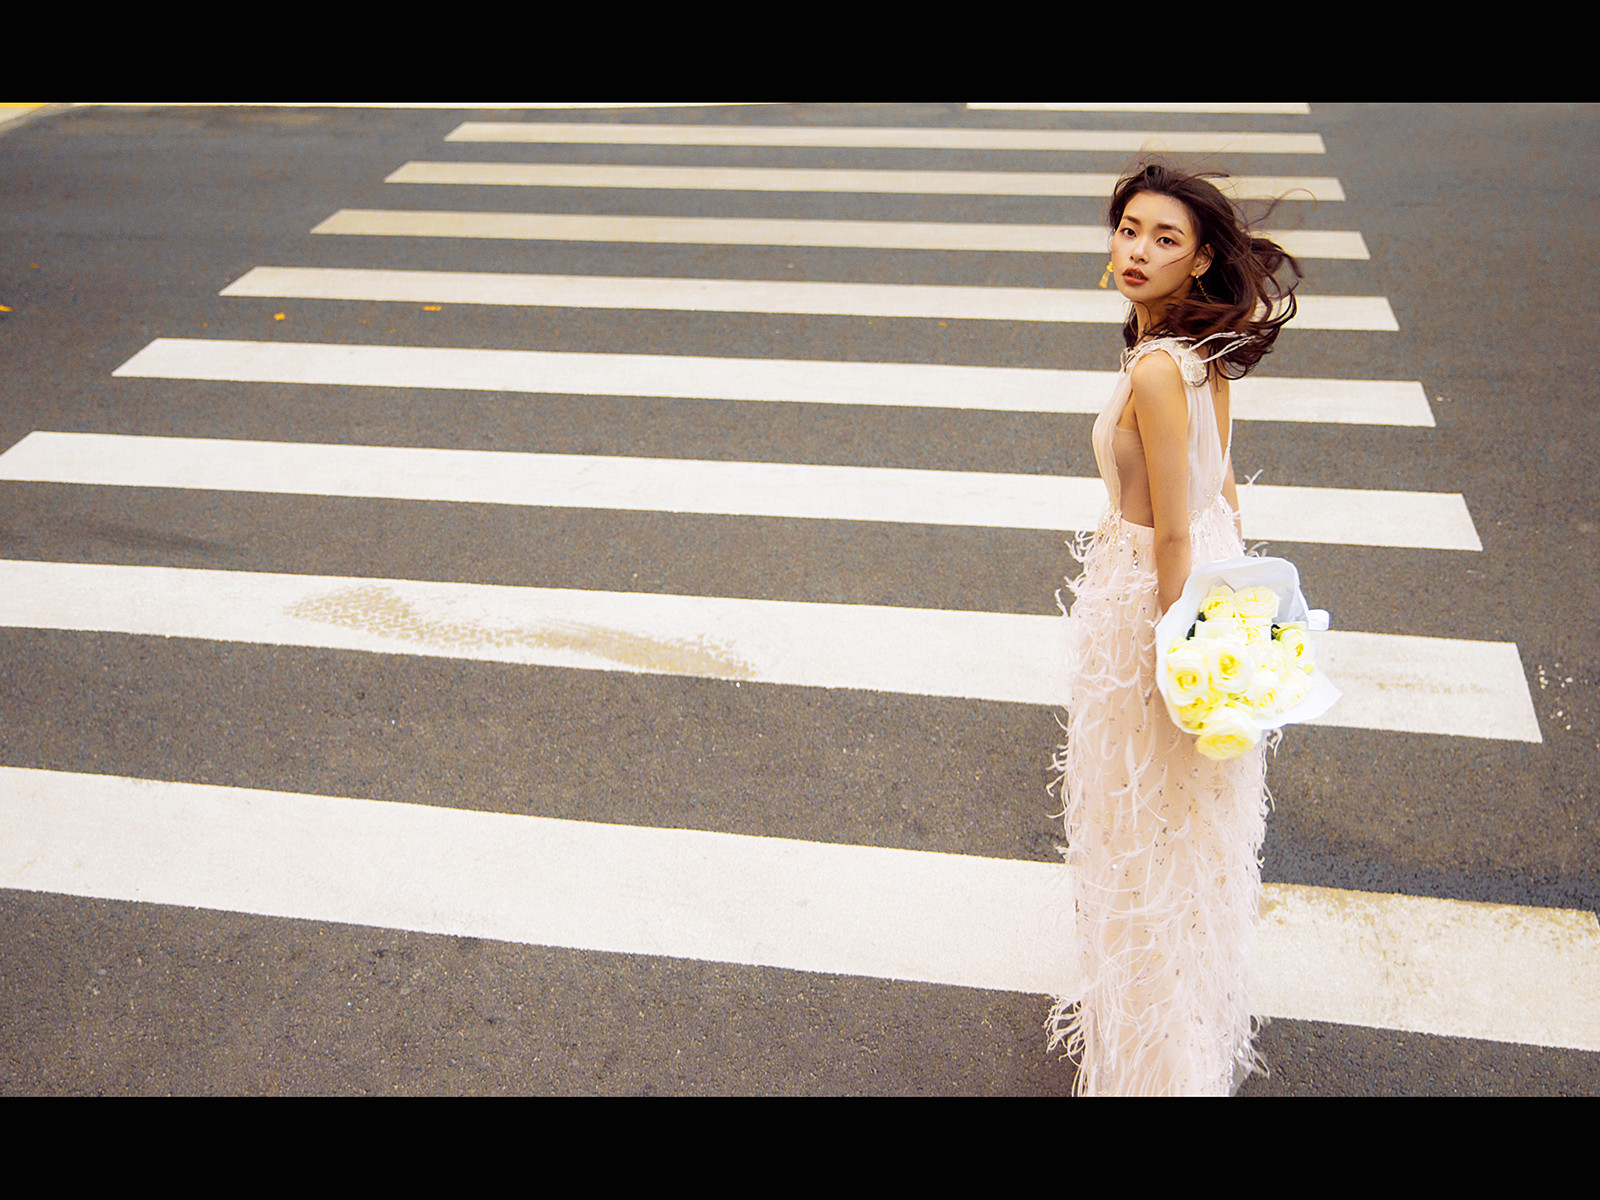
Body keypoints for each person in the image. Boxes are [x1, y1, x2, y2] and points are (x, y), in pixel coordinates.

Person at [1047, 161, 1303, 1096]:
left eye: (1165, 239)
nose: (1138, 251)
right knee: (1182, 832)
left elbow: (1175, 532)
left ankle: (1156, 1064)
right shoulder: (1204, 353)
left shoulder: (1160, 368)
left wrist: (1176, 649)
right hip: (1203, 590)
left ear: (1199, 262)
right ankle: (1179, 1036)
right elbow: (1223, 490)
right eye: (1129, 231)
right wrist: (1230, 620)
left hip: (1150, 603)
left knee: (1139, 826)